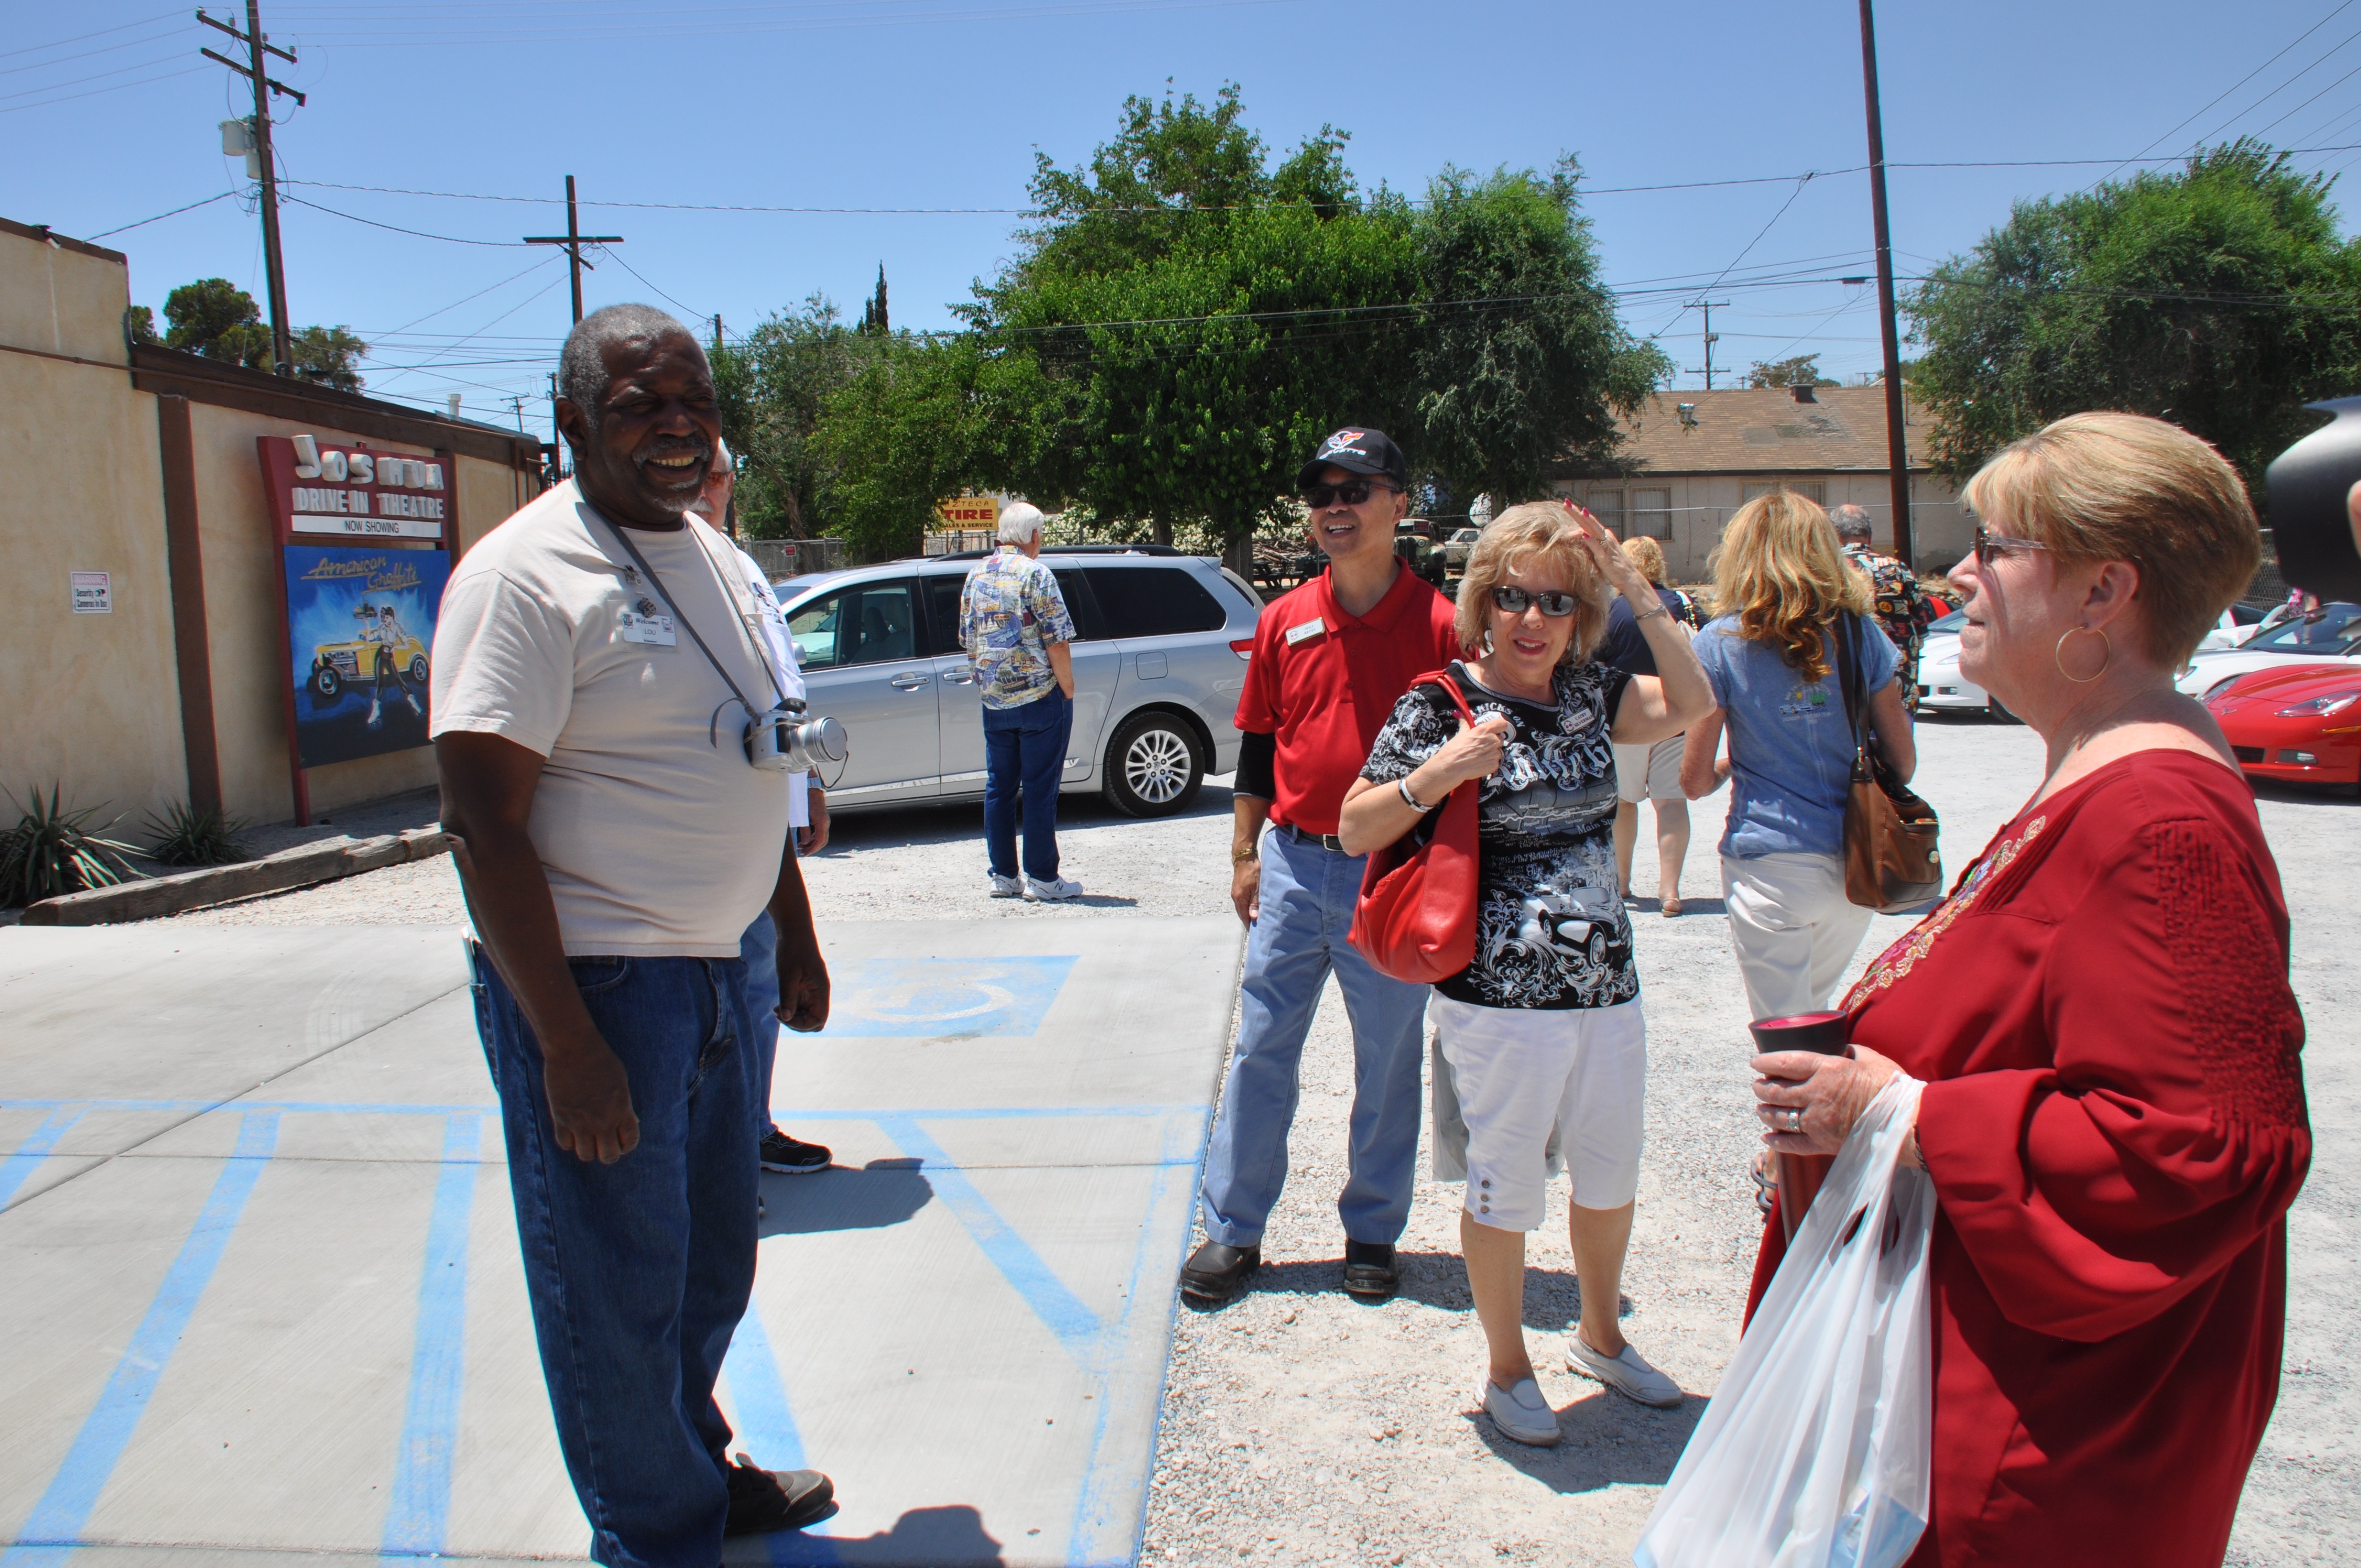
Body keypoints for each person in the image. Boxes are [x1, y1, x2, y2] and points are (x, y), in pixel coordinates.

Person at [1743, 412, 2310, 1566]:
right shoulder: (2101, 770)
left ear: (2103, 590)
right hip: (1989, 1395)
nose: (1959, 573)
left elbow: (2206, 1143)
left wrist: (1899, 1116)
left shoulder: (2159, 820)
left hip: (2046, 1444)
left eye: (1995, 547)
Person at [430, 303, 836, 1568]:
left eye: (692, 401)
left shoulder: (714, 555)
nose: (675, 425)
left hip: (724, 971)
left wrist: (792, 930)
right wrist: (565, 1042)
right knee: (617, 1283)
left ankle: (691, 1469)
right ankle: (657, 1536)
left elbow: (752, 755)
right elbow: (481, 824)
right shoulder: (524, 576)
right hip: (602, 986)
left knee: (711, 1262)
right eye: (638, 404)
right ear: (570, 422)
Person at [1340, 503, 1712, 1443]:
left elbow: (1694, 700)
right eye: (1512, 597)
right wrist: (1442, 771)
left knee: (1610, 1172)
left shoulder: (1591, 690)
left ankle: (1600, 1336)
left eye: (1555, 600)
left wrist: (1630, 582)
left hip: (1606, 987)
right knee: (1505, 1181)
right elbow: (1353, 825)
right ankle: (1508, 1368)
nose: (1532, 619)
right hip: (1499, 1000)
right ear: (1483, 603)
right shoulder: (1439, 703)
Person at [1182, 427, 1459, 1306]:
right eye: (1321, 494)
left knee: (1388, 1060)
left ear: (1399, 505)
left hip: (1392, 876)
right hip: (1295, 867)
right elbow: (1259, 746)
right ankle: (1234, 1231)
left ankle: (1373, 1231)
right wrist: (1243, 854)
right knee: (1261, 1048)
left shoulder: (1444, 625)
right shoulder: (1283, 619)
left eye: (1356, 491)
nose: (1335, 508)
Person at [1679, 491, 1916, 1021]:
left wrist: (1733, 765)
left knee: (1784, 1033)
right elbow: (1903, 763)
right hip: (1856, 856)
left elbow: (1693, 782)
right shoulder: (1861, 633)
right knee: (1815, 1014)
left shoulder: (1719, 643)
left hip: (1769, 860)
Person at [687, 439, 832, 1179]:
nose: (709, 487)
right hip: (708, 822)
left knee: (757, 981)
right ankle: (722, 1152)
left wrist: (809, 781)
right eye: (699, 474)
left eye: (720, 476)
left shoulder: (739, 567)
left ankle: (749, 1128)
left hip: (765, 809)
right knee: (723, 989)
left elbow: (780, 687)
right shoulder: (668, 570)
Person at [958, 501, 1082, 901]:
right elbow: (1057, 640)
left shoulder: (976, 575)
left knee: (999, 788)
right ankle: (1043, 878)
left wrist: (987, 683)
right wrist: (1067, 690)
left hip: (994, 701)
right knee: (1040, 789)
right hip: (1040, 697)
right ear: (1033, 535)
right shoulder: (1037, 574)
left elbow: (967, 637)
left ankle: (1004, 876)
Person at [1595, 533, 1695, 915]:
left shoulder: (1613, 611)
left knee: (1624, 802)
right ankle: (1670, 891)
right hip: (1677, 717)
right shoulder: (1681, 604)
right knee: (1671, 803)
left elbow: (1597, 664)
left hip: (1632, 718)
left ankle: (1622, 882)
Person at [1833, 503, 1936, 711]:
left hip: (1846, 677)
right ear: (1869, 537)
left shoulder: (1828, 571)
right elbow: (1921, 625)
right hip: (1896, 677)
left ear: (1835, 537)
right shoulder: (1898, 569)